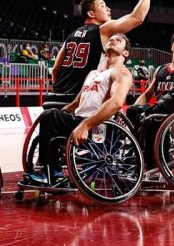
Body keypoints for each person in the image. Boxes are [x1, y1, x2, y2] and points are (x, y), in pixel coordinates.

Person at [23, 33, 135, 187]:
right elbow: (76, 103)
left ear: (126, 53)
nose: (113, 40)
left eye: (119, 40)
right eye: (111, 39)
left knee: (50, 115)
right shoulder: (94, 73)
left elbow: (116, 103)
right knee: (51, 114)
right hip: (79, 120)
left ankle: (51, 172)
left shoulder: (121, 73)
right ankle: (48, 169)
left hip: (96, 126)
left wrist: (86, 125)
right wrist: (63, 112)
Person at [48, 0, 156, 104]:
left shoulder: (70, 36)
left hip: (53, 99)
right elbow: (137, 18)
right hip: (77, 101)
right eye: (103, 6)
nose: (108, 9)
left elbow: (55, 70)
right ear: (91, 14)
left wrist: (59, 91)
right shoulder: (103, 29)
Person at [125, 30, 174, 157]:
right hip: (158, 109)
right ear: (171, 46)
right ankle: (136, 150)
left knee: (152, 119)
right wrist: (136, 107)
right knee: (132, 111)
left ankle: (153, 159)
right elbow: (148, 94)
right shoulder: (161, 69)